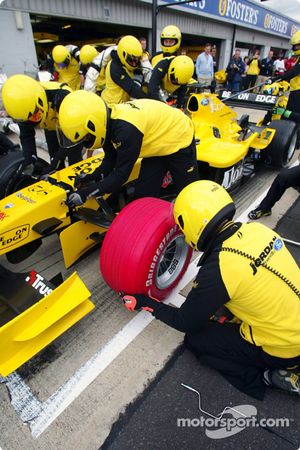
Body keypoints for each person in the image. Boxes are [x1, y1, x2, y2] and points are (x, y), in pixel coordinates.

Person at [120, 180, 300, 400]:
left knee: (196, 340)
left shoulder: (220, 268)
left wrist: (144, 302)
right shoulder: (257, 230)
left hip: (285, 348)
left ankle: (266, 376)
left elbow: (185, 321)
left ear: (194, 224)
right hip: (292, 322)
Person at [58, 90, 199, 203]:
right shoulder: (106, 121)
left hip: (179, 137)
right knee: (143, 198)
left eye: (86, 137)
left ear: (93, 125)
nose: (86, 142)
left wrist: (88, 193)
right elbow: (110, 161)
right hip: (158, 144)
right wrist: (90, 177)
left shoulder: (125, 131)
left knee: (188, 195)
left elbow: (120, 175)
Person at [2, 74, 83, 174]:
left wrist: (57, 159)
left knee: (74, 160)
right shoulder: (23, 109)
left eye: (35, 115)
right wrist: (30, 158)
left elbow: (72, 143)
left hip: (71, 125)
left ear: (40, 100)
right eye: (29, 120)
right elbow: (26, 136)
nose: (34, 121)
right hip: (50, 125)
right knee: (54, 158)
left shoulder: (62, 97)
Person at [100, 35, 148, 107]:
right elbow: (132, 88)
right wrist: (151, 98)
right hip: (110, 106)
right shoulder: (115, 67)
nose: (134, 63)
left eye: (136, 59)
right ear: (123, 54)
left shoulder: (127, 64)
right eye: (132, 60)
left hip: (122, 105)